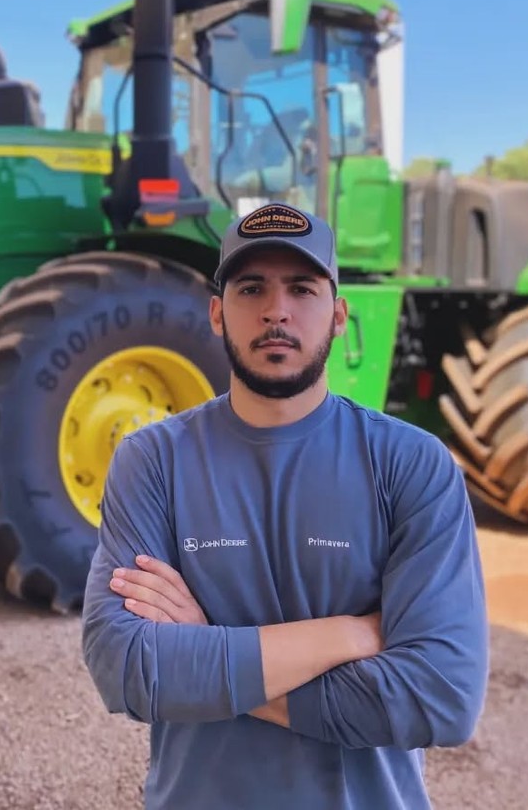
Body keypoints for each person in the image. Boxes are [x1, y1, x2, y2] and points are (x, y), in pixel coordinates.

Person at [80, 201, 489, 810]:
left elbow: (441, 698)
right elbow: (128, 668)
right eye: (251, 288)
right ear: (218, 314)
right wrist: (350, 634)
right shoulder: (153, 460)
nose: (277, 310)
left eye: (302, 288)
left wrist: (209, 645)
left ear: (339, 315)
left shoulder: (411, 464)